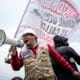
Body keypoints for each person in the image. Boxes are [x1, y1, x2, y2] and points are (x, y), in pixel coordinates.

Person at [5, 29, 80, 80]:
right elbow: (16, 67)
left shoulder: (46, 46)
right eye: (23, 37)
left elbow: (60, 60)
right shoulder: (22, 52)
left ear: (34, 36)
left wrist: (72, 71)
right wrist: (13, 55)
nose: (24, 38)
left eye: (26, 35)